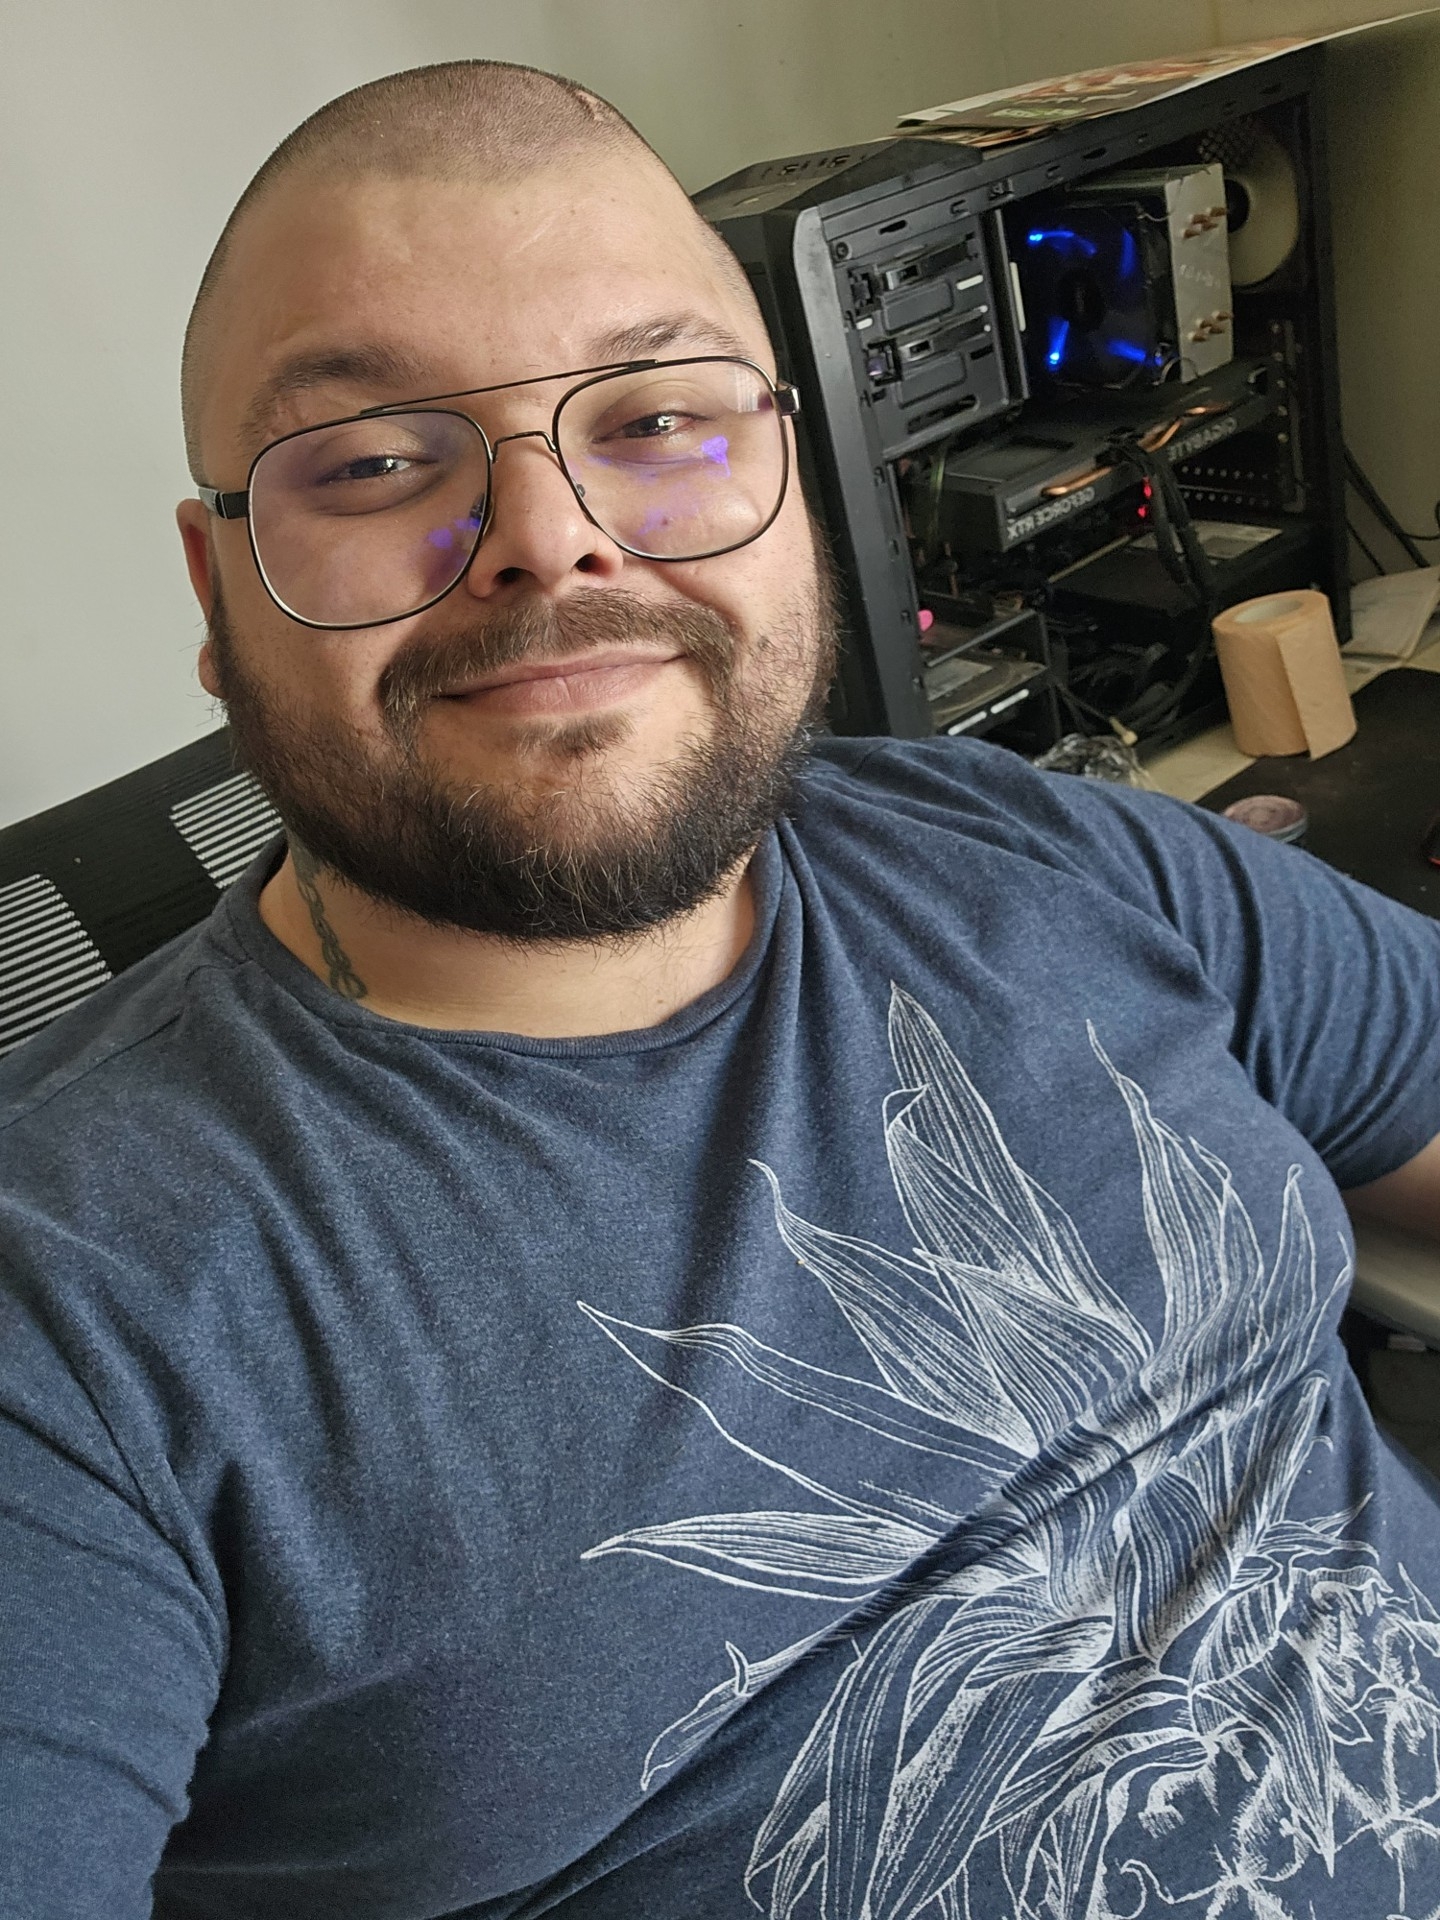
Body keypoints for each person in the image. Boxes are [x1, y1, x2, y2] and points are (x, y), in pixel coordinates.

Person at [1, 58, 1438, 1920]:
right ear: (217, 591)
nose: (549, 535)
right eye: (370, 461)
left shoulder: (1036, 848)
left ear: (788, 479)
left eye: (660, 416)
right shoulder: (67, 1312)